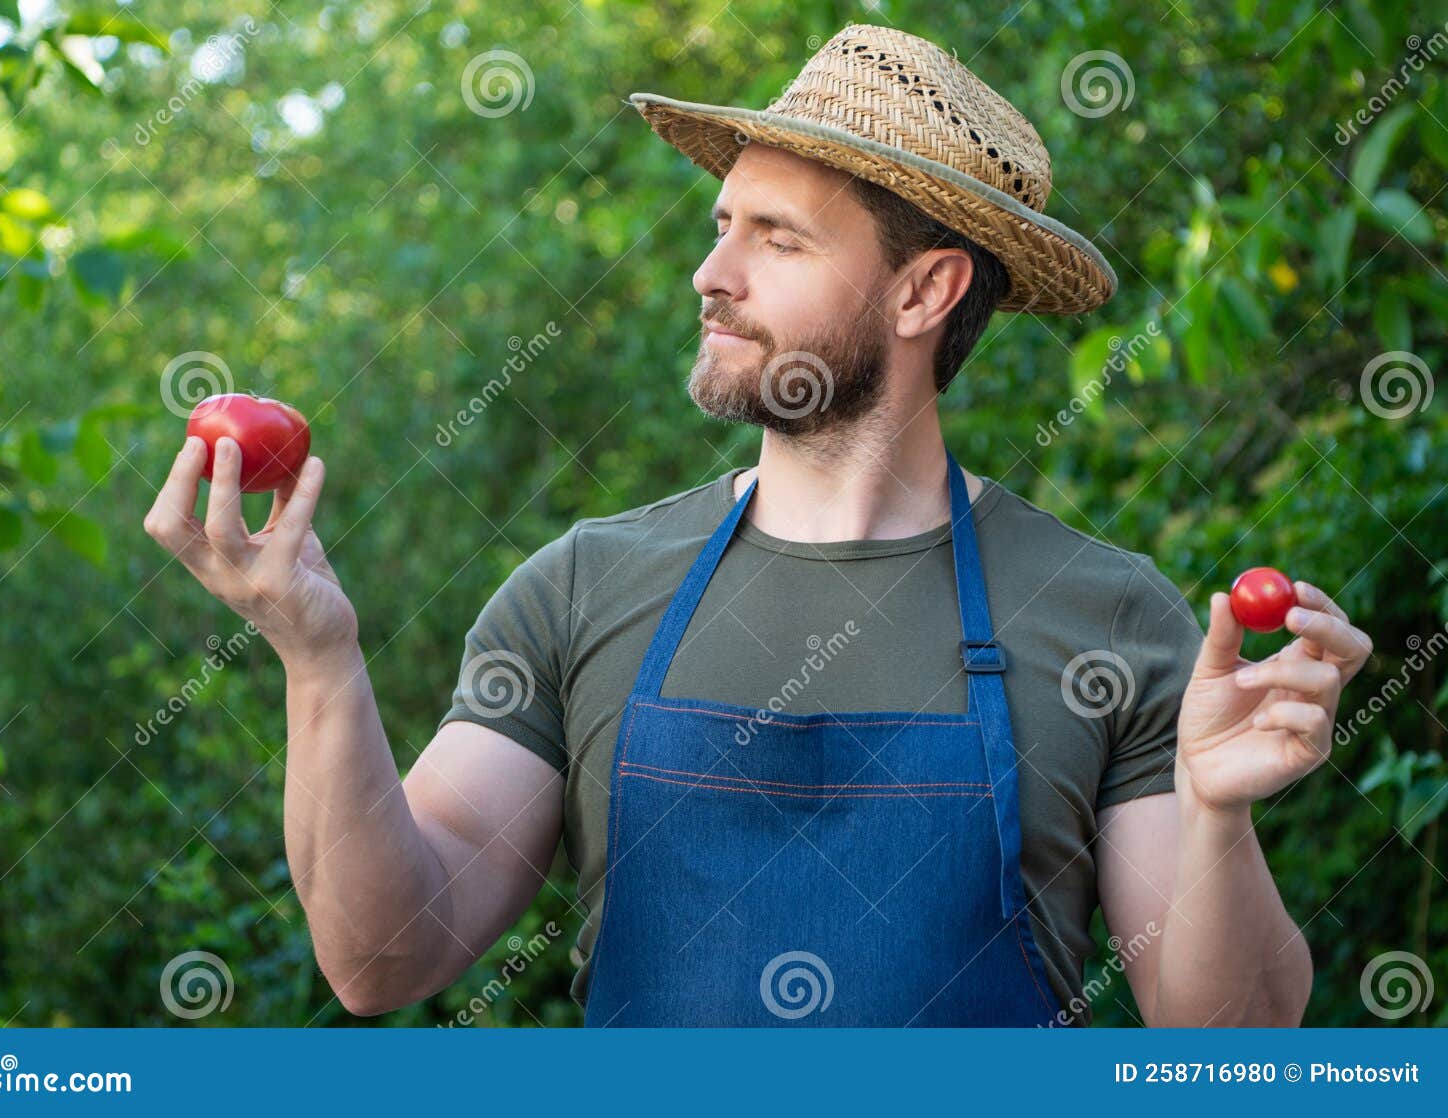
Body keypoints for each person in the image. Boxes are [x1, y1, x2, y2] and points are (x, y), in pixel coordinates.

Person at [143, 24, 1373, 1026]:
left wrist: (1217, 813)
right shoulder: (580, 589)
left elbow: (1234, 1049)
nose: (710, 275)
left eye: (775, 239)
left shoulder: (1106, 615)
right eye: (721, 226)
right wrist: (317, 657)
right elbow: (381, 957)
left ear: (924, 288)